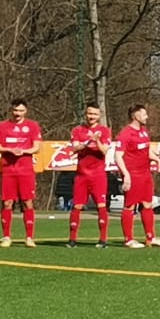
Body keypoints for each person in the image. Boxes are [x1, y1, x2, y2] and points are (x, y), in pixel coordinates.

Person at [0, 98, 42, 247]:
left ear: (25, 111)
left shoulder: (32, 126)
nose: (17, 113)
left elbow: (37, 147)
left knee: (27, 202)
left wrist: (23, 151)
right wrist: (9, 149)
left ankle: (29, 237)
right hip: (8, 170)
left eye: (20, 110)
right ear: (11, 110)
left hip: (26, 170)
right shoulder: (2, 126)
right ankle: (6, 236)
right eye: (15, 110)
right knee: (7, 203)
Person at [115, 102, 160, 248]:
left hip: (145, 174)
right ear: (136, 116)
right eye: (144, 114)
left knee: (147, 204)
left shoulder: (144, 131)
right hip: (133, 174)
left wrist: (158, 160)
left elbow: (146, 151)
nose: (147, 117)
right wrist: (126, 175)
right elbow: (118, 156)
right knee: (130, 206)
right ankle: (128, 240)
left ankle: (151, 237)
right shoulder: (125, 133)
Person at [66, 103, 113, 247]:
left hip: (98, 175)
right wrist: (87, 142)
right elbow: (74, 148)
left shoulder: (104, 131)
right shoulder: (77, 130)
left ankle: (103, 239)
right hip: (81, 175)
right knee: (77, 206)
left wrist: (97, 140)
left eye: (95, 114)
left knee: (101, 206)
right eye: (89, 114)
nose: (91, 117)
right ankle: (72, 239)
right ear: (85, 114)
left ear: (99, 116)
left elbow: (104, 150)